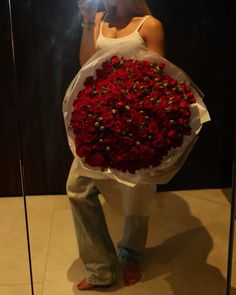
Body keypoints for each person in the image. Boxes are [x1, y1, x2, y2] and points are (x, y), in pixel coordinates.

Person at [67, 0, 165, 290]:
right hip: (97, 120)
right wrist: (86, 21)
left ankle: (131, 254)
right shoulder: (96, 18)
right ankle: (101, 269)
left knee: (138, 192)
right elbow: (85, 64)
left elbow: (159, 76)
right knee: (77, 188)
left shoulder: (150, 25)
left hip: (137, 123)